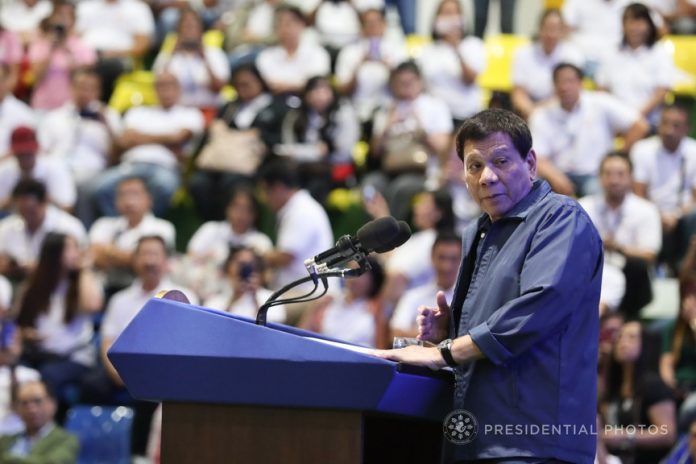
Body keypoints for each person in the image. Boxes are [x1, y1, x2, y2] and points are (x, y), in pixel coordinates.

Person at [374, 108, 603, 463]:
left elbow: (539, 309)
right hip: (475, 436)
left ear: (530, 163)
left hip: (535, 441)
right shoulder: (477, 231)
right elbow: (491, 322)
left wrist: (445, 352)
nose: (487, 177)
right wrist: (448, 330)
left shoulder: (561, 218)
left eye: (501, 161)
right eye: (475, 165)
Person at [90, 71, 205, 217]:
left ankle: (145, 225)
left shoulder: (190, 114)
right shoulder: (138, 113)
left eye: (170, 85)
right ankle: (124, 225)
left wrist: (139, 138)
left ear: (179, 89)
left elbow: (178, 138)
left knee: (165, 186)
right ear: (155, 89)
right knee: (100, 188)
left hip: (163, 166)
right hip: (131, 165)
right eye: (161, 86)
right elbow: (124, 141)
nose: (166, 91)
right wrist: (166, 139)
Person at [531, 62, 649, 197]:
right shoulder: (541, 114)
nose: (565, 87)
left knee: (601, 192)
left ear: (581, 83)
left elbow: (640, 126)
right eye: (560, 82)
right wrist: (556, 177)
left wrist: (618, 155)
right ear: (553, 86)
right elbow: (537, 157)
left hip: (595, 174)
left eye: (570, 81)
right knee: (532, 188)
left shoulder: (600, 102)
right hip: (557, 173)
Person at [188, 63, 287, 221]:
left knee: (232, 183)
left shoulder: (276, 108)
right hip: (220, 162)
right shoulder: (229, 107)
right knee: (199, 183)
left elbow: (279, 140)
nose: (244, 88)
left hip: (255, 166)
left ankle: (236, 225)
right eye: (239, 85)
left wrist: (261, 138)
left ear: (260, 82)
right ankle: (212, 223)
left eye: (248, 83)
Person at [15, 232, 103, 410]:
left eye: (76, 248)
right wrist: (27, 334)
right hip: (38, 354)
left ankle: (45, 429)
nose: (75, 253)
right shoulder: (35, 284)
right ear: (53, 253)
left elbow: (92, 305)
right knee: (15, 373)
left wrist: (84, 269)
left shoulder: (82, 281)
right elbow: (18, 322)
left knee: (47, 376)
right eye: (69, 248)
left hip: (75, 357)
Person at [579, 152, 661, 317]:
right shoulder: (583, 207)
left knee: (637, 266)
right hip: (593, 272)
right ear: (600, 178)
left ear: (631, 178)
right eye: (608, 174)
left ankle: (624, 317)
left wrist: (619, 248)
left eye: (620, 174)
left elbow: (650, 255)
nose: (614, 180)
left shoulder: (646, 210)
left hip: (632, 281)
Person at [274, 75, 360, 202]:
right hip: (303, 167)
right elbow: (289, 148)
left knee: (316, 184)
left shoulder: (344, 113)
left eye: (324, 90)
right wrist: (315, 151)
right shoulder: (296, 116)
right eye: (314, 91)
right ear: (306, 94)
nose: (319, 95)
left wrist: (318, 152)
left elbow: (343, 151)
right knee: (281, 176)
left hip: (335, 169)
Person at [631, 104, 696, 272]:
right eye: (665, 124)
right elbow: (639, 193)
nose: (669, 130)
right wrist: (657, 214)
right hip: (651, 208)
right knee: (639, 213)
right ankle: (650, 268)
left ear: (687, 129)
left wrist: (677, 214)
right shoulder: (642, 149)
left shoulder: (693, 151)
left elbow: (695, 197)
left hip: (683, 212)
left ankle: (684, 269)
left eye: (676, 125)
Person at [602, 321, 677, 464]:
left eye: (631, 337)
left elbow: (668, 434)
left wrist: (626, 436)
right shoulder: (614, 386)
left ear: (645, 344)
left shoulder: (653, 384)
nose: (623, 342)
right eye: (619, 337)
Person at [258, 159, 334, 295]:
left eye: (266, 192)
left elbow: (285, 257)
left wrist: (257, 257)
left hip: (312, 293)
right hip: (302, 289)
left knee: (261, 307)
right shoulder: (298, 207)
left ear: (278, 188)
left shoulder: (302, 211)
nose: (265, 199)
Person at [89, 176, 176, 294]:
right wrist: (128, 256)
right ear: (115, 202)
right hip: (107, 289)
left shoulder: (162, 228)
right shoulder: (103, 224)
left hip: (148, 291)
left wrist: (109, 251)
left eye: (135, 194)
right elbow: (94, 257)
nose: (129, 201)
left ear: (149, 199)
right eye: (123, 195)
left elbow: (145, 262)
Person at [596, 2, 676, 127]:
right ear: (623, 25)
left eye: (639, 22)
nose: (634, 28)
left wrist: (632, 119)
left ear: (649, 26)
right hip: (614, 122)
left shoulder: (660, 53)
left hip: (649, 122)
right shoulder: (611, 52)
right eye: (630, 22)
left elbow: (661, 93)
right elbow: (602, 89)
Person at [334, 7, 407, 135]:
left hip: (388, 108)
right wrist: (359, 66)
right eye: (368, 23)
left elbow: (406, 90)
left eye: (377, 22)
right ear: (361, 27)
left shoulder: (398, 50)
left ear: (384, 24)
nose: (373, 27)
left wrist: (390, 69)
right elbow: (342, 90)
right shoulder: (349, 52)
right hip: (355, 110)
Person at [0, 180, 86, 282]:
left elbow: (81, 261)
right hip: (15, 281)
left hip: (59, 282)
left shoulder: (69, 226)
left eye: (31, 211)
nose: (27, 216)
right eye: (22, 211)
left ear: (44, 202)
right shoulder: (6, 227)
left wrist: (40, 268)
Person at [419, 0, 487, 124]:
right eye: (446, 13)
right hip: (435, 118)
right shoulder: (427, 50)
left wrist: (456, 48)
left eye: (454, 13)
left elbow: (469, 79)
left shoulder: (473, 45)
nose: (450, 18)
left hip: (466, 116)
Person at [511, 9, 584, 120]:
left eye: (555, 29)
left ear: (562, 31)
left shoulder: (573, 55)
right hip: (528, 113)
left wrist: (539, 112)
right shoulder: (522, 54)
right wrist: (533, 112)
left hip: (563, 112)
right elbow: (518, 94)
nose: (551, 34)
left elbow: (570, 92)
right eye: (547, 29)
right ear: (539, 29)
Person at [152, 6, 229, 109]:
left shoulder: (214, 53)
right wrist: (171, 55)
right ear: (178, 30)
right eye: (185, 27)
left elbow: (218, 88)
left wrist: (205, 58)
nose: (189, 31)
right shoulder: (167, 55)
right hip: (177, 111)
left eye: (193, 26)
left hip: (208, 109)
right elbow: (160, 87)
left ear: (200, 29)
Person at [391, 230, 462, 339]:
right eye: (442, 257)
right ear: (432, 258)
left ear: (461, 261)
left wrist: (425, 334)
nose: (446, 266)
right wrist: (435, 335)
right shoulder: (413, 296)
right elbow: (394, 334)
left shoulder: (467, 300)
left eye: (453, 259)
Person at [28, 0, 96, 111]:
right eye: (59, 14)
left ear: (73, 21)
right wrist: (50, 49)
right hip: (42, 105)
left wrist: (66, 49)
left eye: (67, 16)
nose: (62, 20)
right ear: (52, 18)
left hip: (70, 108)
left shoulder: (82, 45)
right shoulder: (41, 44)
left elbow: (82, 79)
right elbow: (36, 78)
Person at [255, 4, 331, 96]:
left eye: (288, 23)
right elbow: (272, 85)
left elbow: (316, 85)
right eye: (279, 24)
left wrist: (292, 87)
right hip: (277, 102)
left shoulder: (318, 53)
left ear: (302, 24)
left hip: (307, 103)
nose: (284, 28)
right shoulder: (266, 56)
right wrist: (300, 86)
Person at [0, 126, 76, 212]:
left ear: (36, 149)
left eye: (28, 152)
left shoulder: (54, 168)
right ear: (13, 152)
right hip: (13, 219)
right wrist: (16, 199)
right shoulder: (5, 171)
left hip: (50, 218)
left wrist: (42, 199)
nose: (25, 156)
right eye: (20, 153)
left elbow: (68, 208)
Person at [0, 380, 78, 463]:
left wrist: (5, 458)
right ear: (17, 409)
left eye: (37, 401)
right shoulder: (5, 440)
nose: (31, 409)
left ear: (52, 404)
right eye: (24, 403)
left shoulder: (67, 440)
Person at [203, 246, 286, 323]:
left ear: (259, 270)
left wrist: (255, 299)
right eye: (239, 263)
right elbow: (212, 325)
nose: (242, 269)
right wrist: (232, 300)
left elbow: (274, 329)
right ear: (228, 268)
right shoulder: (215, 300)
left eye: (249, 264)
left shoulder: (272, 299)